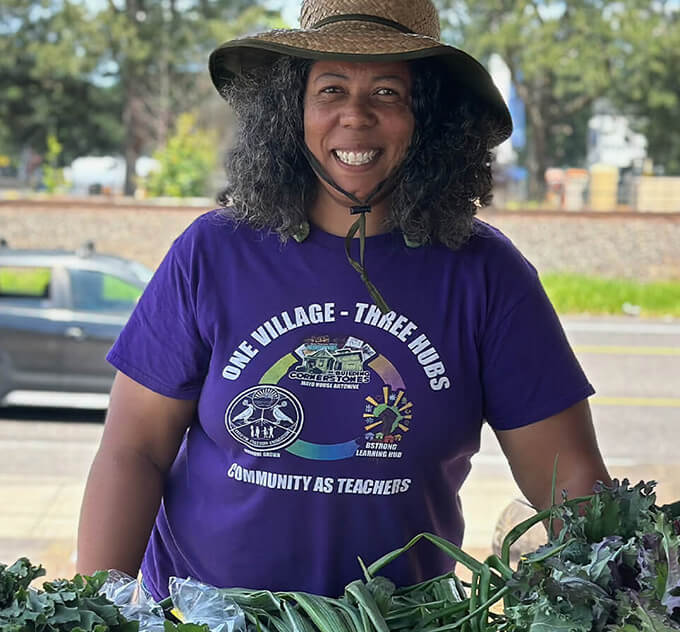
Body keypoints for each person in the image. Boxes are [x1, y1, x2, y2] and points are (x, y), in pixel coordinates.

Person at [76, 0, 610, 599]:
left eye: (387, 93)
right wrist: (103, 618)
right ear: (292, 111)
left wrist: (626, 608)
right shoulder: (214, 251)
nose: (355, 116)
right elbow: (133, 450)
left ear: (429, 118)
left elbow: (569, 486)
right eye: (330, 90)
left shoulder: (486, 274)